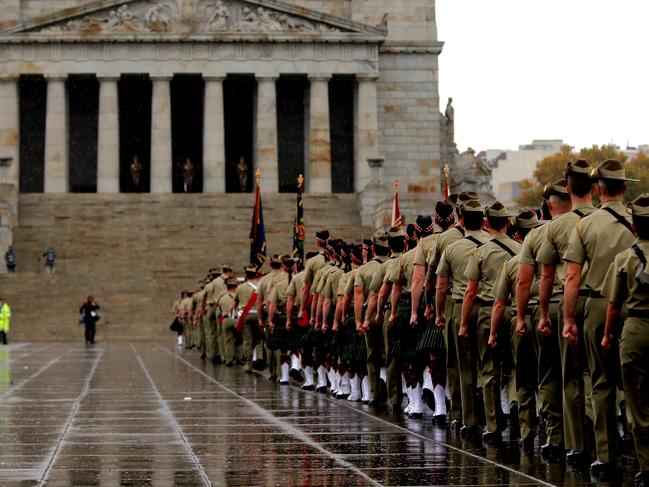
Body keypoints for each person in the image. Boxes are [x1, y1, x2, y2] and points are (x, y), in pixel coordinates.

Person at [563, 159, 637, 480]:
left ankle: (606, 455)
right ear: (624, 189)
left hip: (596, 305)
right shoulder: (639, 221)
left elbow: (572, 278)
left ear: (598, 190)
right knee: (637, 382)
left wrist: (568, 318)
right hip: (635, 307)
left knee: (602, 381)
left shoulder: (585, 225)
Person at [537, 160, 596, 467]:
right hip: (604, 304)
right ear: (595, 187)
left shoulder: (555, 227)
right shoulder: (610, 220)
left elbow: (547, 277)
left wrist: (545, 313)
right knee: (601, 378)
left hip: (568, 304)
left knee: (570, 377)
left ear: (568, 188)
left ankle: (574, 444)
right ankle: (603, 441)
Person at [601, 194, 649, 487]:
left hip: (635, 330)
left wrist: (607, 334)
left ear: (634, 226)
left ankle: (646, 465)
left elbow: (613, 305)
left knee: (637, 402)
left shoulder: (625, 257)